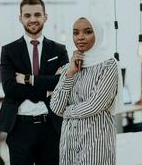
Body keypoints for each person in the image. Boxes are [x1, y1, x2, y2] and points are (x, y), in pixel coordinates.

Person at [0, 0, 69, 165]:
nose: (33, 19)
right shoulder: (9, 51)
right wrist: (46, 88)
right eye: (27, 15)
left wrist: (29, 80)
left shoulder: (59, 50)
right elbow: (10, 88)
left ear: (45, 17)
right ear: (20, 18)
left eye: (37, 14)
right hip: (19, 128)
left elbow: (63, 83)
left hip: (51, 126)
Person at [51, 16, 122, 165]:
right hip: (68, 144)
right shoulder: (68, 68)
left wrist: (66, 112)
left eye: (87, 32)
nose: (80, 37)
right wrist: (70, 74)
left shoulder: (109, 65)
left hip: (95, 142)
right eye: (75, 33)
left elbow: (95, 105)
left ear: (98, 33)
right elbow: (56, 106)